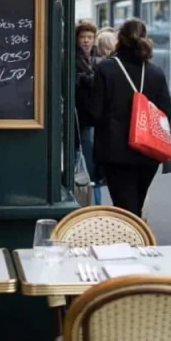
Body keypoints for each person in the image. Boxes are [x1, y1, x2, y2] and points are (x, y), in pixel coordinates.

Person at [89, 18, 171, 216]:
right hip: (148, 152)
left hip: (115, 152)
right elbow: (165, 114)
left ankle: (132, 244)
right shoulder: (156, 73)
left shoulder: (106, 68)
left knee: (125, 211)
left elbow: (95, 113)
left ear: (120, 39)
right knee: (136, 206)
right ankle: (136, 243)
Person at [74, 20, 100, 204]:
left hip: (94, 115)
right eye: (83, 37)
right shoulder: (73, 59)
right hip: (80, 114)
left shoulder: (97, 59)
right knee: (83, 155)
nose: (86, 41)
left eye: (89, 37)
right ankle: (86, 197)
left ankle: (92, 198)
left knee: (91, 156)